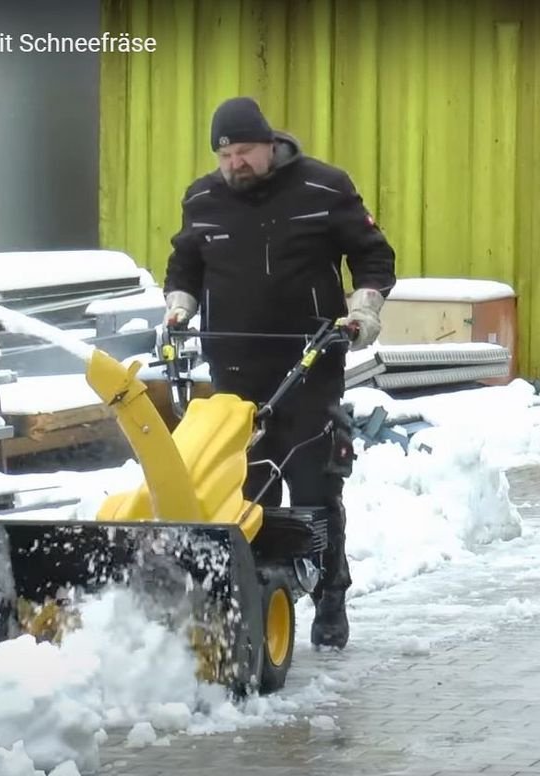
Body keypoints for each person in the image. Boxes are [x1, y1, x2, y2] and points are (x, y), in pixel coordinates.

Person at [162, 96, 396, 649]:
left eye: (244, 151)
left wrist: (362, 312)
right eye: (224, 155)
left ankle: (331, 592)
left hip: (310, 362)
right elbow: (184, 264)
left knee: (315, 486)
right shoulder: (201, 199)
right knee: (247, 490)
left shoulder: (324, 188)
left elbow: (373, 255)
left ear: (270, 145)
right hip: (235, 369)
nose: (234, 164)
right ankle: (262, 597)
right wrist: (178, 308)